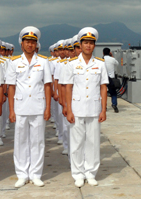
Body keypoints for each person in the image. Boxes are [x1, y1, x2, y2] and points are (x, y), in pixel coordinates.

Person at [61, 27, 108, 188]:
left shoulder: (100, 64)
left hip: (94, 108)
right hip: (77, 108)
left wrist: (104, 109)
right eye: (85, 43)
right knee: (77, 143)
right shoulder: (72, 64)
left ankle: (90, 172)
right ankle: (78, 173)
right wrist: (68, 109)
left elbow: (103, 87)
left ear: (94, 46)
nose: (88, 46)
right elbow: (68, 87)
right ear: (80, 45)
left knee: (93, 142)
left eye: (91, 43)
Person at [6, 27, 52, 188]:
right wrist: (11, 110)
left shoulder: (44, 61)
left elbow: (47, 85)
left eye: (33, 42)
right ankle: (22, 174)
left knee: (38, 141)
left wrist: (48, 108)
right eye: (27, 42)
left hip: (38, 106)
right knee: (20, 141)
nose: (30, 45)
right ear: (22, 44)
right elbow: (11, 87)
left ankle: (36, 174)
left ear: (36, 44)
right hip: (20, 107)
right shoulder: (14, 62)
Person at [103, 48, 120, 113]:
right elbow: (117, 64)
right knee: (113, 93)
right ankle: (114, 104)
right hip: (111, 79)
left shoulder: (101, 60)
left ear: (103, 53)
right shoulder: (112, 59)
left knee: (103, 93)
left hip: (103, 79)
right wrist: (112, 56)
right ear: (109, 52)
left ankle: (104, 106)